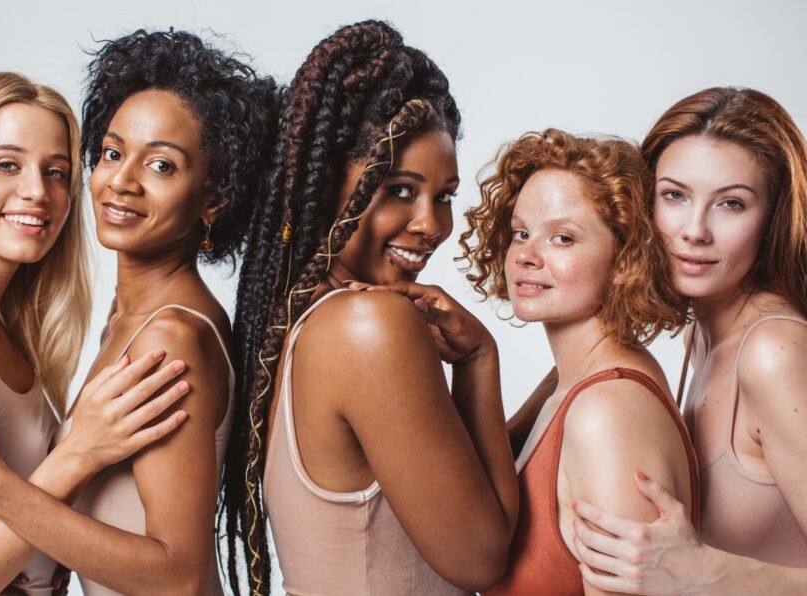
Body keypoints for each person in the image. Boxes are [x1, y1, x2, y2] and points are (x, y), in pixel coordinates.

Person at [0, 30, 278, 595]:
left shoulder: (169, 337)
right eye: (113, 153)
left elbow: (181, 577)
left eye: (162, 166)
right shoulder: (122, 320)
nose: (121, 180)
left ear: (214, 197)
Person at [222, 20, 518, 595]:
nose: (432, 225)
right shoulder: (369, 326)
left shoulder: (302, 323)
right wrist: (480, 360)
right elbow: (484, 558)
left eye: (445, 197)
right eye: (399, 190)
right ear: (326, 182)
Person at [0, 71, 189, 595]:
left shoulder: (0, 330)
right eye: (6, 165)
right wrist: (78, 454)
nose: (37, 192)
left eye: (57, 172)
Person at [572, 87, 807, 594]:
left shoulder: (773, 354)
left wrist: (706, 571)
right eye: (675, 195)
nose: (694, 231)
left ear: (772, 219)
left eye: (731, 204)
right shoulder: (702, 333)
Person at [458, 129, 697, 595]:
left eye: (562, 238)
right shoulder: (572, 381)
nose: (526, 255)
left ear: (626, 259)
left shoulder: (607, 411)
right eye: (521, 233)